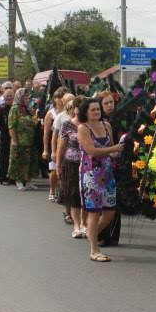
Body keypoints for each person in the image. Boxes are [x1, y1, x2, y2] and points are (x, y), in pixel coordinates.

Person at [75, 97, 123, 261]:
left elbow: (113, 150)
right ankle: (94, 250)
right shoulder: (83, 128)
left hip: (107, 172)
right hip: (91, 174)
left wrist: (121, 150)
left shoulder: (106, 125)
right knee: (94, 212)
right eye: (93, 109)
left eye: (97, 109)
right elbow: (92, 151)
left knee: (110, 211)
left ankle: (91, 234)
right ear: (85, 112)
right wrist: (113, 148)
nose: (96, 112)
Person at [96, 90, 121, 247]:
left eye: (112, 102)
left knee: (115, 202)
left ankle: (113, 236)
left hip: (118, 163)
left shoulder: (120, 117)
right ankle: (100, 234)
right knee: (102, 203)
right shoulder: (98, 122)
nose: (110, 105)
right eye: (106, 103)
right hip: (101, 165)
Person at [56, 97, 83, 234]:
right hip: (71, 164)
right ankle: (77, 226)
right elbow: (61, 147)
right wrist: (58, 166)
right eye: (78, 106)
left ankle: (85, 224)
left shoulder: (92, 124)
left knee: (86, 196)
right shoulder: (67, 124)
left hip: (88, 165)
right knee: (74, 196)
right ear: (74, 109)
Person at [8, 88, 38, 190]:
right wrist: (15, 141)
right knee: (19, 161)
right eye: (25, 97)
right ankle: (19, 181)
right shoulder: (15, 109)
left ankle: (29, 181)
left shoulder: (27, 109)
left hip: (30, 140)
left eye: (28, 97)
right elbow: (11, 126)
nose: (27, 98)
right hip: (20, 140)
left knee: (30, 161)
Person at [43, 87, 67, 202]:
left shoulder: (68, 112)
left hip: (66, 144)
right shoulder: (50, 113)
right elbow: (46, 134)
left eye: (62, 97)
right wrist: (46, 150)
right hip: (54, 144)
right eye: (58, 98)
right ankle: (52, 190)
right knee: (53, 170)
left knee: (64, 170)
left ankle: (62, 191)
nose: (60, 100)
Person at [0, 87, 14, 185]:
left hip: (14, 135)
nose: (9, 98)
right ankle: (3, 177)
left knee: (13, 156)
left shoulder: (15, 108)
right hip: (4, 135)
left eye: (11, 96)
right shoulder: (0, 108)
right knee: (4, 156)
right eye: (7, 96)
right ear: (4, 98)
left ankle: (12, 177)